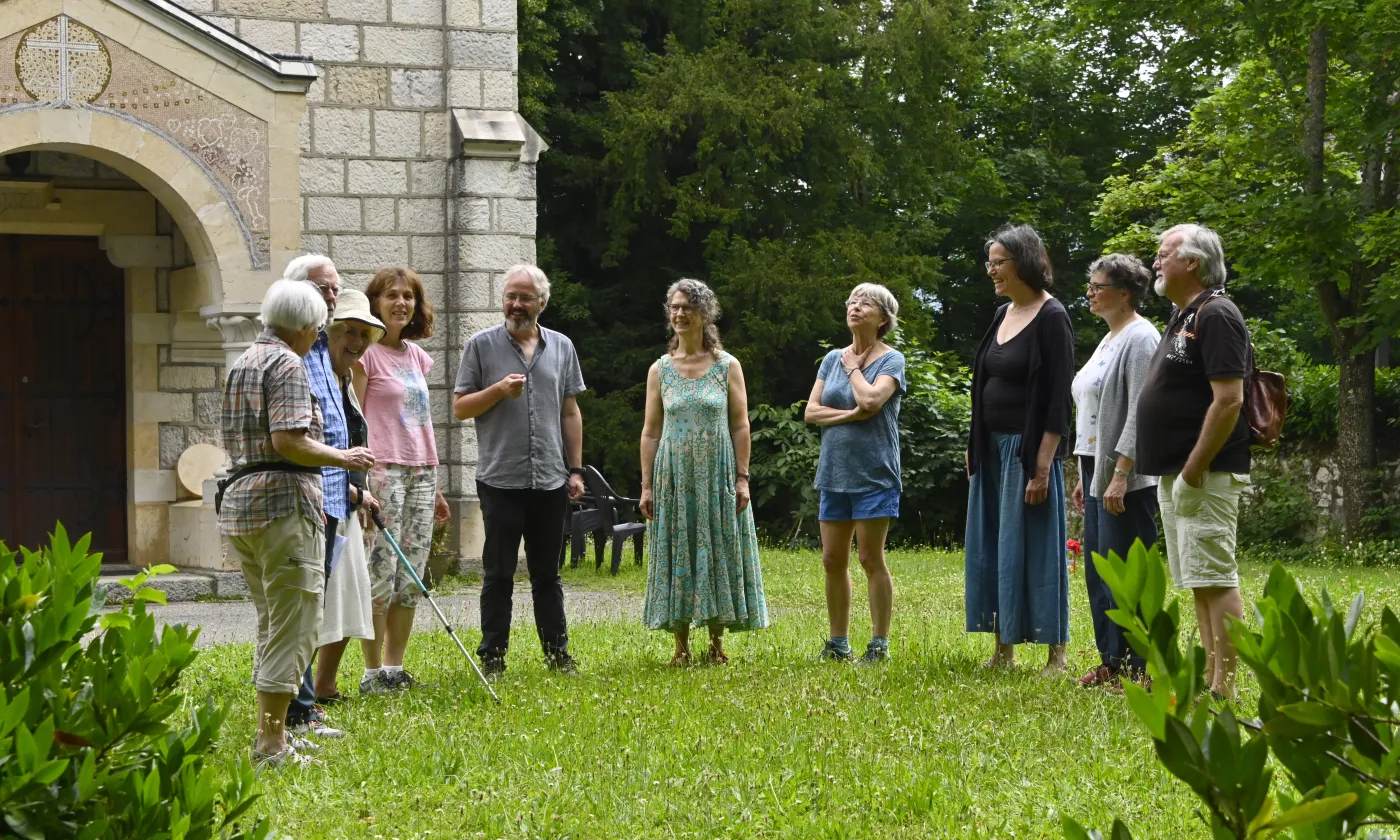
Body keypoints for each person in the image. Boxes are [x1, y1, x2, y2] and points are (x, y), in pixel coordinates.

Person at [218, 278, 374, 767]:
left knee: (273, 622)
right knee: (295, 624)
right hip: (283, 503)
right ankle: (271, 746)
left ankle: (277, 732)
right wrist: (344, 457)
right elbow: (289, 440)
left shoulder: (244, 360)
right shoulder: (287, 361)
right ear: (306, 326)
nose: (318, 338)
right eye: (319, 329)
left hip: (243, 504)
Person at [452, 264, 586, 678]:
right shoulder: (480, 345)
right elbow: (459, 408)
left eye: (525, 297)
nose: (516, 304)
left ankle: (557, 655)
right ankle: (492, 658)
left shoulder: (562, 347)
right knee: (498, 574)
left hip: (549, 478)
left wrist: (576, 470)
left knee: (548, 575)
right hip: (500, 480)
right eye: (511, 295)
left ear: (542, 303)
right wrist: (497, 391)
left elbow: (570, 411)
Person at [1136, 224, 1251, 700]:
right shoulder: (1186, 313)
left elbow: (1229, 401)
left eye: (1164, 254)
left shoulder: (1218, 314)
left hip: (1204, 471)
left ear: (1194, 264)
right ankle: (1210, 678)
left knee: (1217, 575)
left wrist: (1194, 467)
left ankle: (1226, 686)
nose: (1156, 262)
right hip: (1179, 471)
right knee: (1200, 579)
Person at [639, 279, 768, 664]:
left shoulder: (727, 366)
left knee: (717, 548)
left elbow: (740, 425)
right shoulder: (660, 370)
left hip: (717, 474)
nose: (679, 314)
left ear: (704, 315)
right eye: (675, 308)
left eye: (688, 308)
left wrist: (742, 478)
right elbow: (650, 430)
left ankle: (716, 644)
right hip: (674, 474)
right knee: (678, 546)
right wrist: (646, 486)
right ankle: (680, 646)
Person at [964, 224, 1074, 675]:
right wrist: (975, 445)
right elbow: (984, 381)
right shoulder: (1002, 313)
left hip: (1028, 455)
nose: (991, 270)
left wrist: (1042, 466)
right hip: (991, 451)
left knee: (1037, 548)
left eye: (998, 262)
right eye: (989, 262)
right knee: (994, 546)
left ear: (1025, 262)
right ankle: (1003, 650)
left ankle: (1057, 656)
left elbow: (1056, 397)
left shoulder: (1052, 316)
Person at [354, 267, 450, 693]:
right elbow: (353, 419)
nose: (401, 303)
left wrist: (438, 485)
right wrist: (356, 482)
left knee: (410, 575)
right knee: (381, 570)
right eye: (391, 295)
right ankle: (371, 672)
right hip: (382, 470)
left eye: (408, 296)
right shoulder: (366, 356)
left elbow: (420, 421)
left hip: (421, 471)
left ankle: (395, 669)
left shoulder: (416, 356)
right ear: (375, 303)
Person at [1070, 254, 1161, 689]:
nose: (1090, 292)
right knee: (1099, 570)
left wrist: (1122, 472)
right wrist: (1083, 473)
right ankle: (1112, 661)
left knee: (1128, 573)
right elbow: (1093, 412)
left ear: (1124, 293)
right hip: (1096, 467)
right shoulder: (1108, 339)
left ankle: (1140, 667)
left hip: (1126, 473)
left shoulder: (1141, 337)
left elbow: (1143, 411)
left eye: (1097, 285)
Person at [804, 283, 906, 664]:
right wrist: (848, 416)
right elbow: (811, 412)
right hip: (833, 473)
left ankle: (879, 644)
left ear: (883, 318)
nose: (855, 306)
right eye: (852, 300)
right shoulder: (831, 358)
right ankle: (838, 643)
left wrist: (852, 370)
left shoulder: (892, 360)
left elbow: (870, 400)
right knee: (832, 559)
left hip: (875, 474)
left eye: (866, 302)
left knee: (869, 558)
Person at [282, 255, 349, 737]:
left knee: (314, 605)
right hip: (304, 492)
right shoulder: (294, 348)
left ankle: (302, 704)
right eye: (324, 289)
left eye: (334, 289)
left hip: (331, 492)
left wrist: (350, 484)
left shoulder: (322, 344)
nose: (331, 297)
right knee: (301, 607)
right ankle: (298, 710)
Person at [313, 289, 385, 702]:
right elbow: (317, 450)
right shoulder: (317, 374)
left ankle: (325, 685)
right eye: (350, 332)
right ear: (332, 332)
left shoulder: (344, 378)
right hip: (322, 501)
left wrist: (362, 493)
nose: (357, 342)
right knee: (320, 601)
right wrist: (353, 490)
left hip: (346, 500)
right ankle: (302, 695)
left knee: (349, 593)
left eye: (364, 334)